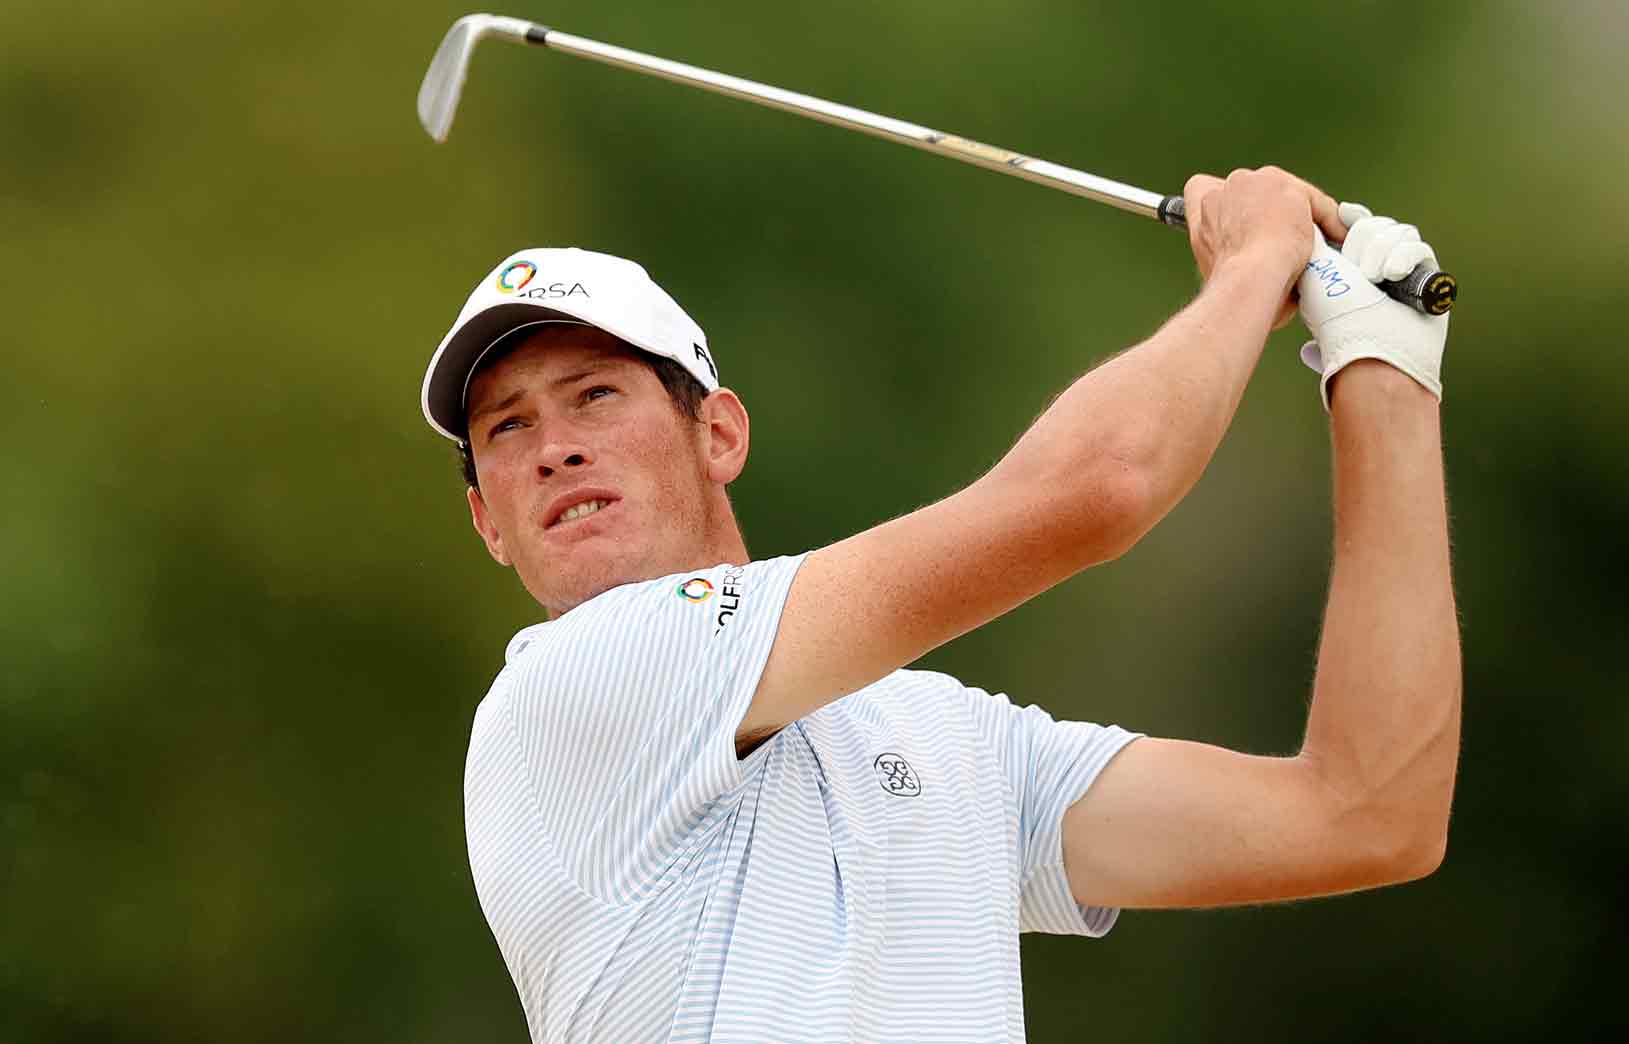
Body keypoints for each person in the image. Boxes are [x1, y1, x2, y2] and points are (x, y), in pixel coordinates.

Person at [419, 167, 1461, 1042]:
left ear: (719, 435)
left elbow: (1364, 816)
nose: (553, 445)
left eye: (596, 394)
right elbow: (1094, 491)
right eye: (506, 429)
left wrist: (1385, 370)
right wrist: (1252, 266)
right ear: (486, 522)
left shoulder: (944, 735)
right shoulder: (571, 688)